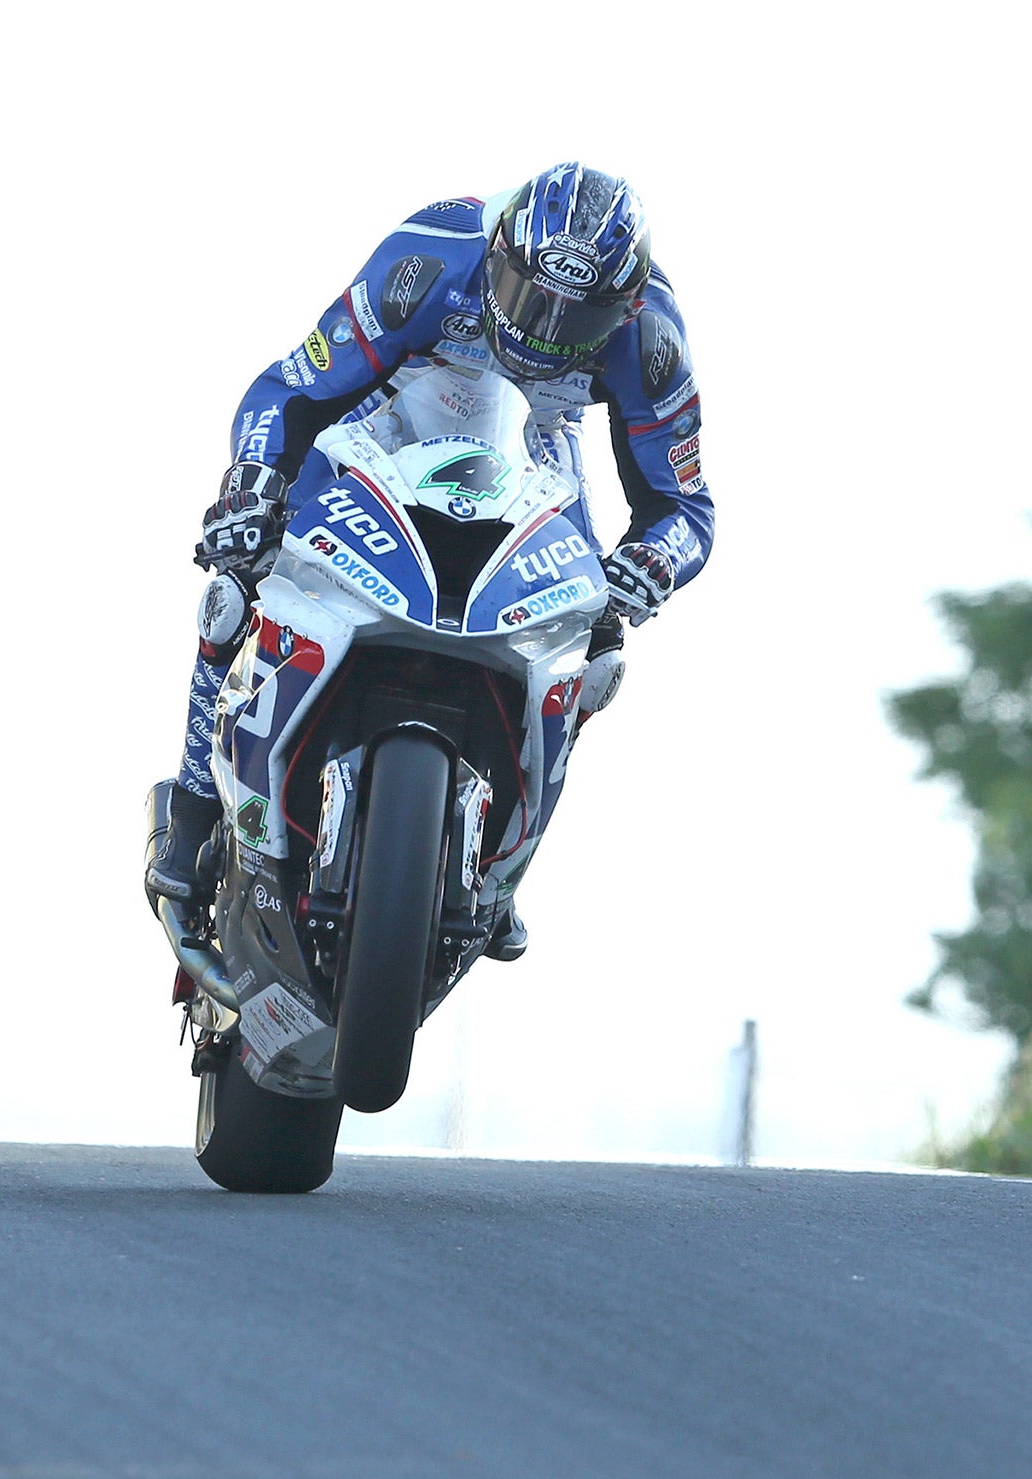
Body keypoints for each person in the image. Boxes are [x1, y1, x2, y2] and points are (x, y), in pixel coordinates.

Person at [146, 163, 715, 961]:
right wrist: (250, 486)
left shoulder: (653, 339)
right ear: (499, 258)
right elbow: (287, 390)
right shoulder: (428, 260)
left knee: (595, 646)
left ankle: (505, 866)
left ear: (622, 309)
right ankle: (196, 806)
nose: (545, 334)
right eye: (531, 301)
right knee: (241, 573)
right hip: (387, 415)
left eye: (575, 320)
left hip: (537, 450)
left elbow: (685, 508)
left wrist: (648, 564)